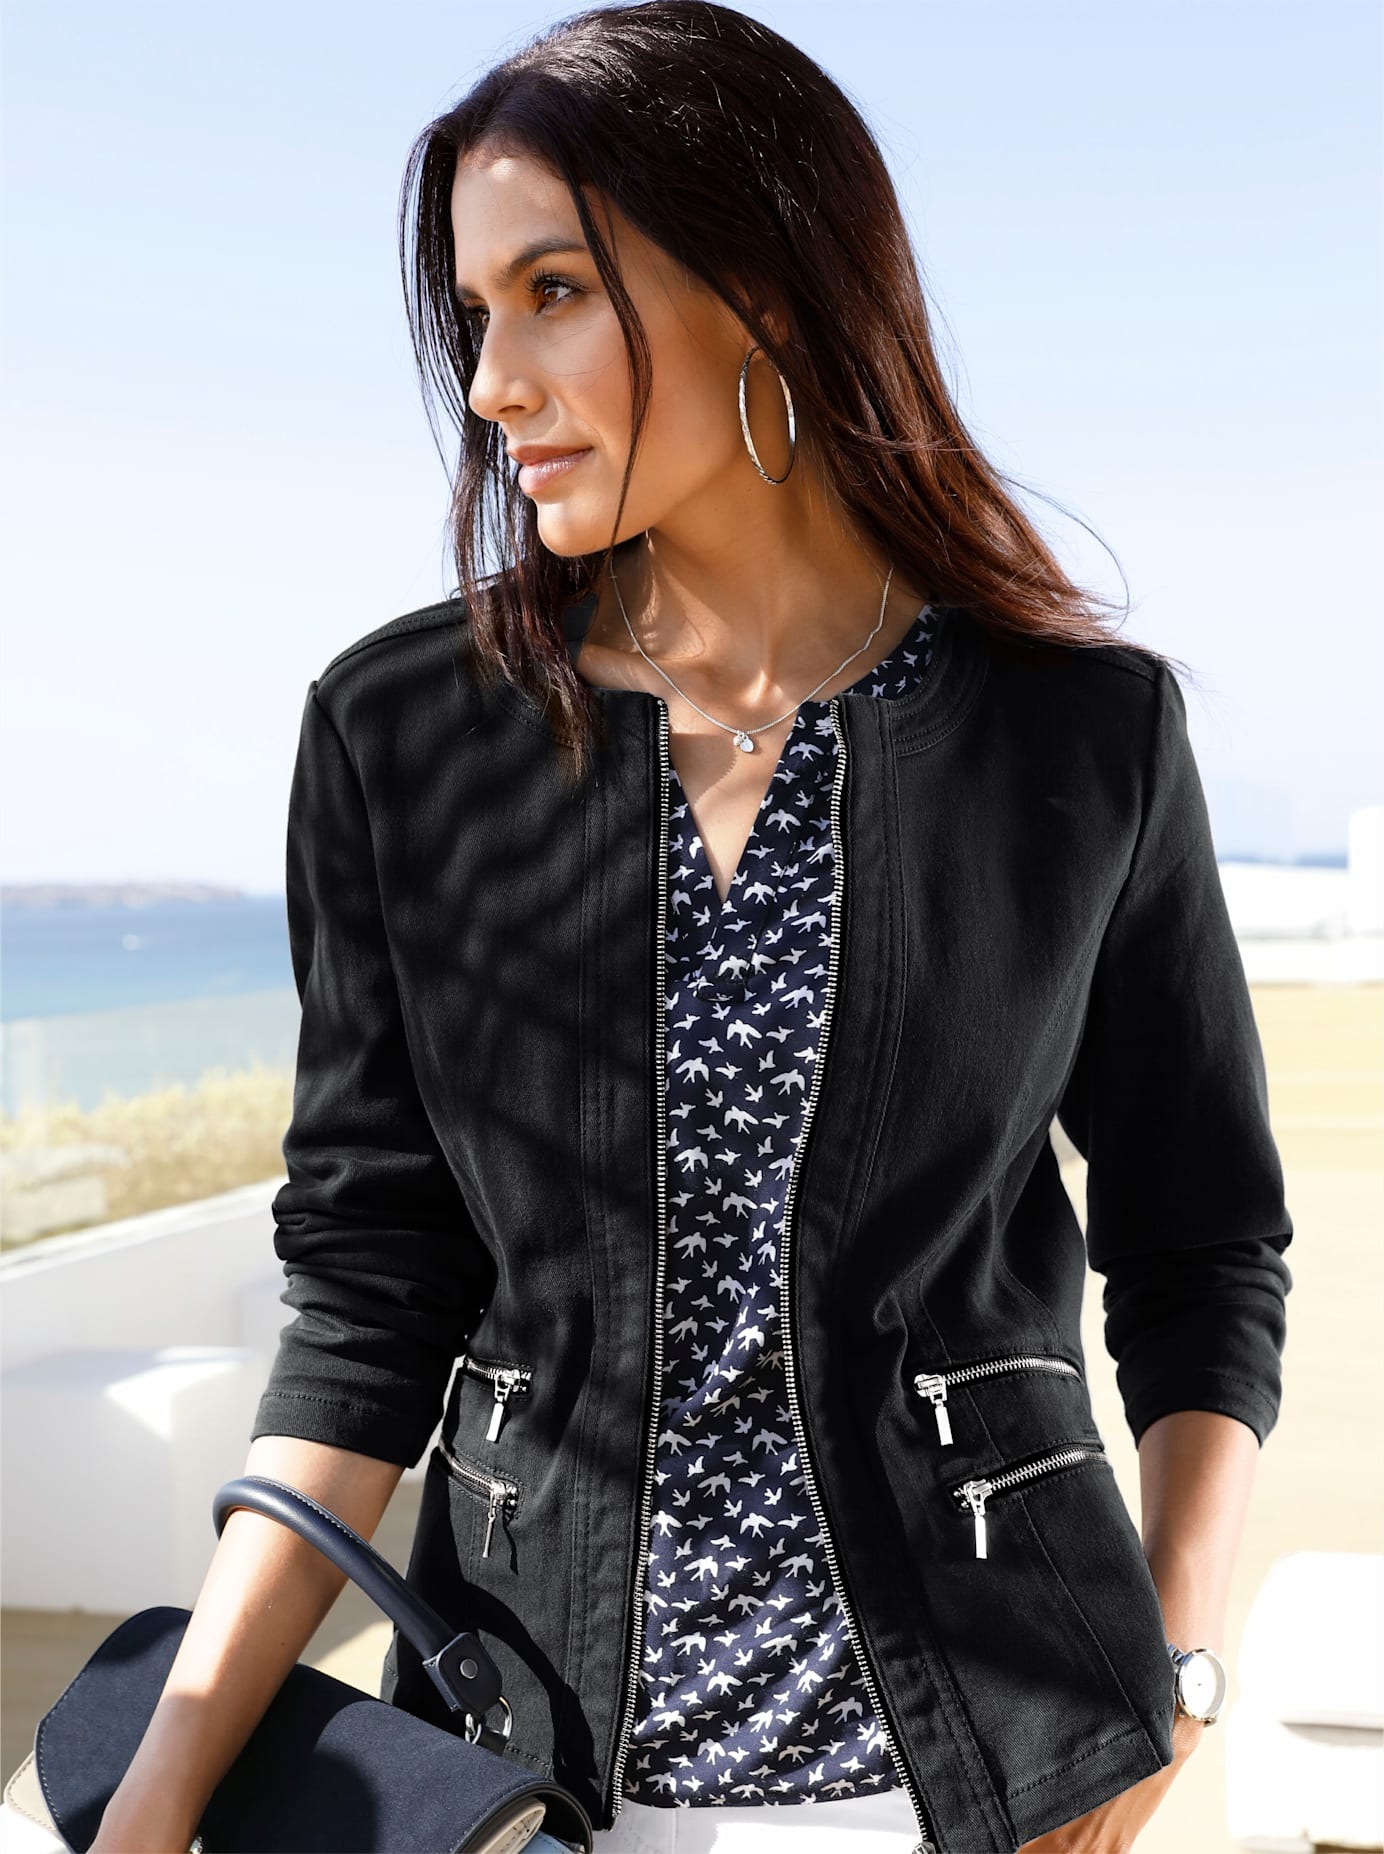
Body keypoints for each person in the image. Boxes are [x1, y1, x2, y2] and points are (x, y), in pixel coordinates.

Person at [88, 3, 1293, 1851]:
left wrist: (1175, 1670)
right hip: (521, 1773)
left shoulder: (1081, 736)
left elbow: (1201, 1244)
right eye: (476, 314)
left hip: (983, 1767)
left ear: (768, 289)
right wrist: (164, 1785)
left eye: (556, 292)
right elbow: (368, 1297)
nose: (493, 382)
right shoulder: (402, 735)